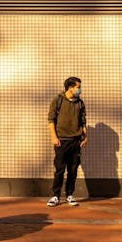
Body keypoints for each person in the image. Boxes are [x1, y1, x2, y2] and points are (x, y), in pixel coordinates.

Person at [47, 76, 88, 207]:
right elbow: (51, 120)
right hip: (61, 141)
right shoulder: (58, 100)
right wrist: (54, 136)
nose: (80, 90)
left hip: (76, 141)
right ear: (70, 87)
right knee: (59, 169)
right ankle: (55, 196)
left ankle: (70, 194)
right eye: (78, 87)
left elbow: (83, 122)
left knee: (73, 169)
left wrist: (85, 136)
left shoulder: (80, 103)